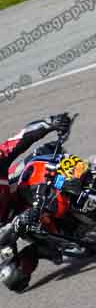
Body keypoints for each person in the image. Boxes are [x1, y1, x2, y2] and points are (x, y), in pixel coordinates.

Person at [0, 114, 72, 291]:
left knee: (41, 157)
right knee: (13, 278)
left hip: (16, 195)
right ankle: (42, 249)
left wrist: (50, 123)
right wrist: (13, 226)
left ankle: (81, 187)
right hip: (7, 227)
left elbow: (20, 139)